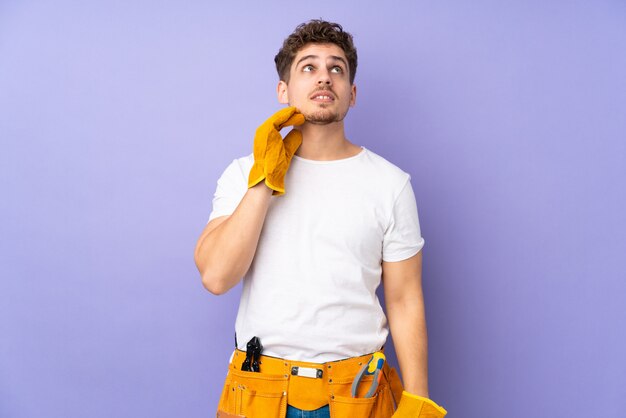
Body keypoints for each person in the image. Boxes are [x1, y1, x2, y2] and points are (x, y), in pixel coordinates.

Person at [194, 19, 447, 418]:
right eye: (308, 67)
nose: (324, 78)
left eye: (337, 69)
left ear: (352, 94)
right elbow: (216, 277)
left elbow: (404, 299)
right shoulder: (242, 174)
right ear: (284, 90)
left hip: (357, 393)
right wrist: (264, 179)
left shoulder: (390, 184)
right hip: (260, 389)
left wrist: (418, 402)